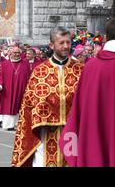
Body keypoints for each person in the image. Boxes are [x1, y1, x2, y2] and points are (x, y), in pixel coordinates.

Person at [59, 19, 115, 167]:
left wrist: (72, 146)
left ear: (105, 38)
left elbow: (79, 112)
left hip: (96, 148)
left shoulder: (90, 67)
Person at [12, 27, 83, 167]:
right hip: (45, 132)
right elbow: (29, 105)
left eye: (68, 42)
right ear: (52, 45)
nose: (66, 46)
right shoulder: (40, 71)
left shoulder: (80, 70)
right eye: (61, 43)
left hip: (73, 133)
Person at [0, 46, 31, 131]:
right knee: (9, 106)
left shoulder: (25, 63)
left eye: (18, 53)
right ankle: (9, 125)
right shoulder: (5, 64)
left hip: (21, 89)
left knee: (21, 106)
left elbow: (29, 76)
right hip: (9, 90)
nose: (17, 54)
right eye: (15, 53)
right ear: (10, 53)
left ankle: (19, 124)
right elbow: (0, 76)